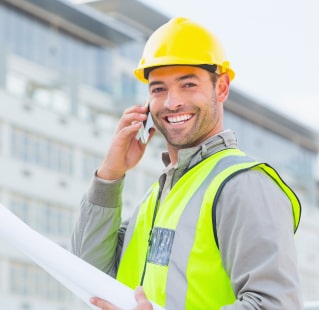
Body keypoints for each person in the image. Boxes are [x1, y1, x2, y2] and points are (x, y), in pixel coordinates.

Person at [71, 17, 303, 310]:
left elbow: (275, 305)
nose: (171, 102)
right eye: (158, 89)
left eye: (188, 84)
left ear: (221, 88)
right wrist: (110, 175)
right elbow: (88, 279)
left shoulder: (243, 185)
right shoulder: (157, 199)